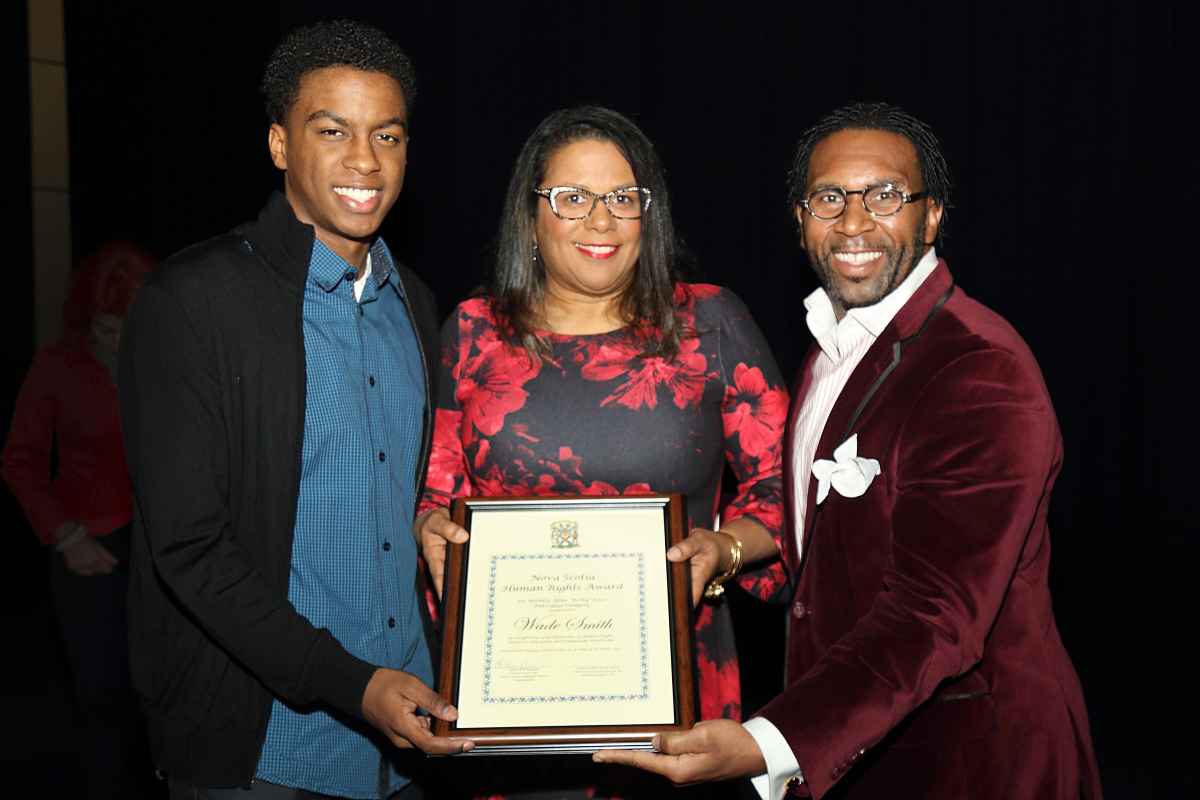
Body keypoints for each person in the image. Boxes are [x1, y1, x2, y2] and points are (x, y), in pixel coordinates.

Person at [594, 102, 1103, 799]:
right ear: (801, 218)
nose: (854, 221)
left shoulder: (980, 369)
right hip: (855, 753)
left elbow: (934, 613)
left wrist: (763, 743)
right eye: (830, 197)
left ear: (931, 217)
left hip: (973, 761)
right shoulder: (831, 348)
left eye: (885, 195)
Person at [117, 19, 473, 800]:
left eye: (388, 134)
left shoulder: (413, 302)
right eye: (332, 130)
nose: (364, 161)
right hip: (264, 756)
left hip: (411, 745)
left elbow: (398, 494)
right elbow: (189, 550)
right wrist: (353, 686)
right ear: (280, 144)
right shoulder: (192, 301)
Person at [414, 105, 789, 797]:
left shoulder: (711, 321)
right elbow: (435, 498)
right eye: (573, 198)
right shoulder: (471, 332)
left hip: (678, 705)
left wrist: (725, 549)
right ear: (532, 216)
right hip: (512, 708)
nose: (601, 220)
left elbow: (785, 490)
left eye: (622, 198)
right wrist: (432, 534)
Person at [3, 241, 155, 798]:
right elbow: (19, 461)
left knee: (161, 699)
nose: (117, 341)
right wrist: (66, 536)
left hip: (160, 552)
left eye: (128, 327)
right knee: (101, 702)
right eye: (107, 328)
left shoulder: (166, 360)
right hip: (89, 549)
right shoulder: (57, 366)